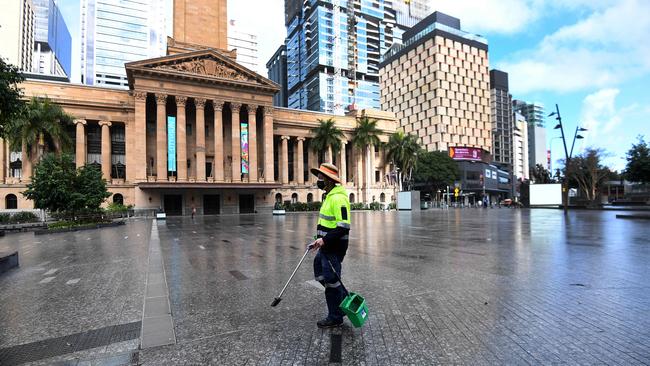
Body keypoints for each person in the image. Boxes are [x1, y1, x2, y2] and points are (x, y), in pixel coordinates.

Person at [308, 163, 351, 328]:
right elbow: (326, 224)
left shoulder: (339, 198)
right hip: (326, 246)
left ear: (329, 180)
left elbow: (343, 227)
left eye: (320, 177)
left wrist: (324, 241)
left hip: (334, 248)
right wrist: (317, 240)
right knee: (320, 272)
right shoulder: (329, 196)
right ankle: (341, 303)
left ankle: (335, 317)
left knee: (331, 281)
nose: (318, 180)